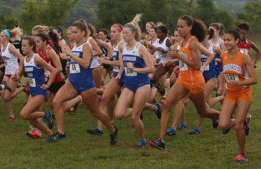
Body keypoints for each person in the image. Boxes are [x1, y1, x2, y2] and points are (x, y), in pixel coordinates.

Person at [149, 16, 220, 150]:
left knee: (204, 112)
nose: (179, 29)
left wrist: (178, 57)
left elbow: (197, 65)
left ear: (190, 27)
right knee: (167, 104)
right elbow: (184, 61)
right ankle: (161, 141)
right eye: (178, 26)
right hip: (183, 79)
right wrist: (175, 63)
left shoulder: (193, 42)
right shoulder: (182, 42)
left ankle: (234, 119)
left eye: (182, 27)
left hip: (195, 81)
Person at [48, 19, 118, 144]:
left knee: (95, 112)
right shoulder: (74, 45)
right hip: (73, 82)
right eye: (72, 32)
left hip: (86, 85)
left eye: (75, 32)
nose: (73, 35)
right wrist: (70, 63)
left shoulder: (86, 45)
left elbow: (86, 64)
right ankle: (60, 132)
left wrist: (71, 55)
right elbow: (75, 60)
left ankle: (112, 130)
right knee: (56, 102)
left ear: (83, 33)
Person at [114, 14, 154, 147]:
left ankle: (142, 139)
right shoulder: (122, 47)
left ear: (133, 34)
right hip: (129, 84)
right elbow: (122, 63)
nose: (123, 36)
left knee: (134, 118)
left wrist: (135, 69)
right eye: (123, 33)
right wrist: (120, 74)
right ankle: (140, 108)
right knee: (119, 114)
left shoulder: (140, 48)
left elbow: (151, 68)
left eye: (126, 33)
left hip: (142, 84)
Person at [218, 29, 257, 163]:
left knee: (238, 126)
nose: (226, 42)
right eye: (224, 40)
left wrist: (240, 82)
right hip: (230, 93)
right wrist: (222, 85)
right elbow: (225, 73)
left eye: (229, 40)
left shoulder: (244, 56)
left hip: (244, 93)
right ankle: (245, 119)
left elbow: (254, 79)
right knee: (223, 125)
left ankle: (242, 154)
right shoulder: (224, 55)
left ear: (236, 41)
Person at [12, 36, 57, 139]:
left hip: (40, 92)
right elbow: (19, 75)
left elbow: (53, 70)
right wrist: (15, 77)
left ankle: (46, 115)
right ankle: (51, 135)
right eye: (21, 46)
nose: (22, 48)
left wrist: (48, 84)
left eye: (24, 46)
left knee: (24, 114)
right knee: (32, 119)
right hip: (32, 92)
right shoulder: (23, 59)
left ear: (31, 46)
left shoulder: (37, 59)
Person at [87, 23, 124, 136]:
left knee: (133, 105)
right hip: (117, 75)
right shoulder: (114, 45)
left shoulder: (122, 45)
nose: (111, 33)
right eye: (111, 31)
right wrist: (107, 58)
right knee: (105, 98)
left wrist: (105, 61)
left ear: (120, 33)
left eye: (114, 32)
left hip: (128, 76)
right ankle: (100, 128)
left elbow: (121, 63)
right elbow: (114, 58)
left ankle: (152, 107)